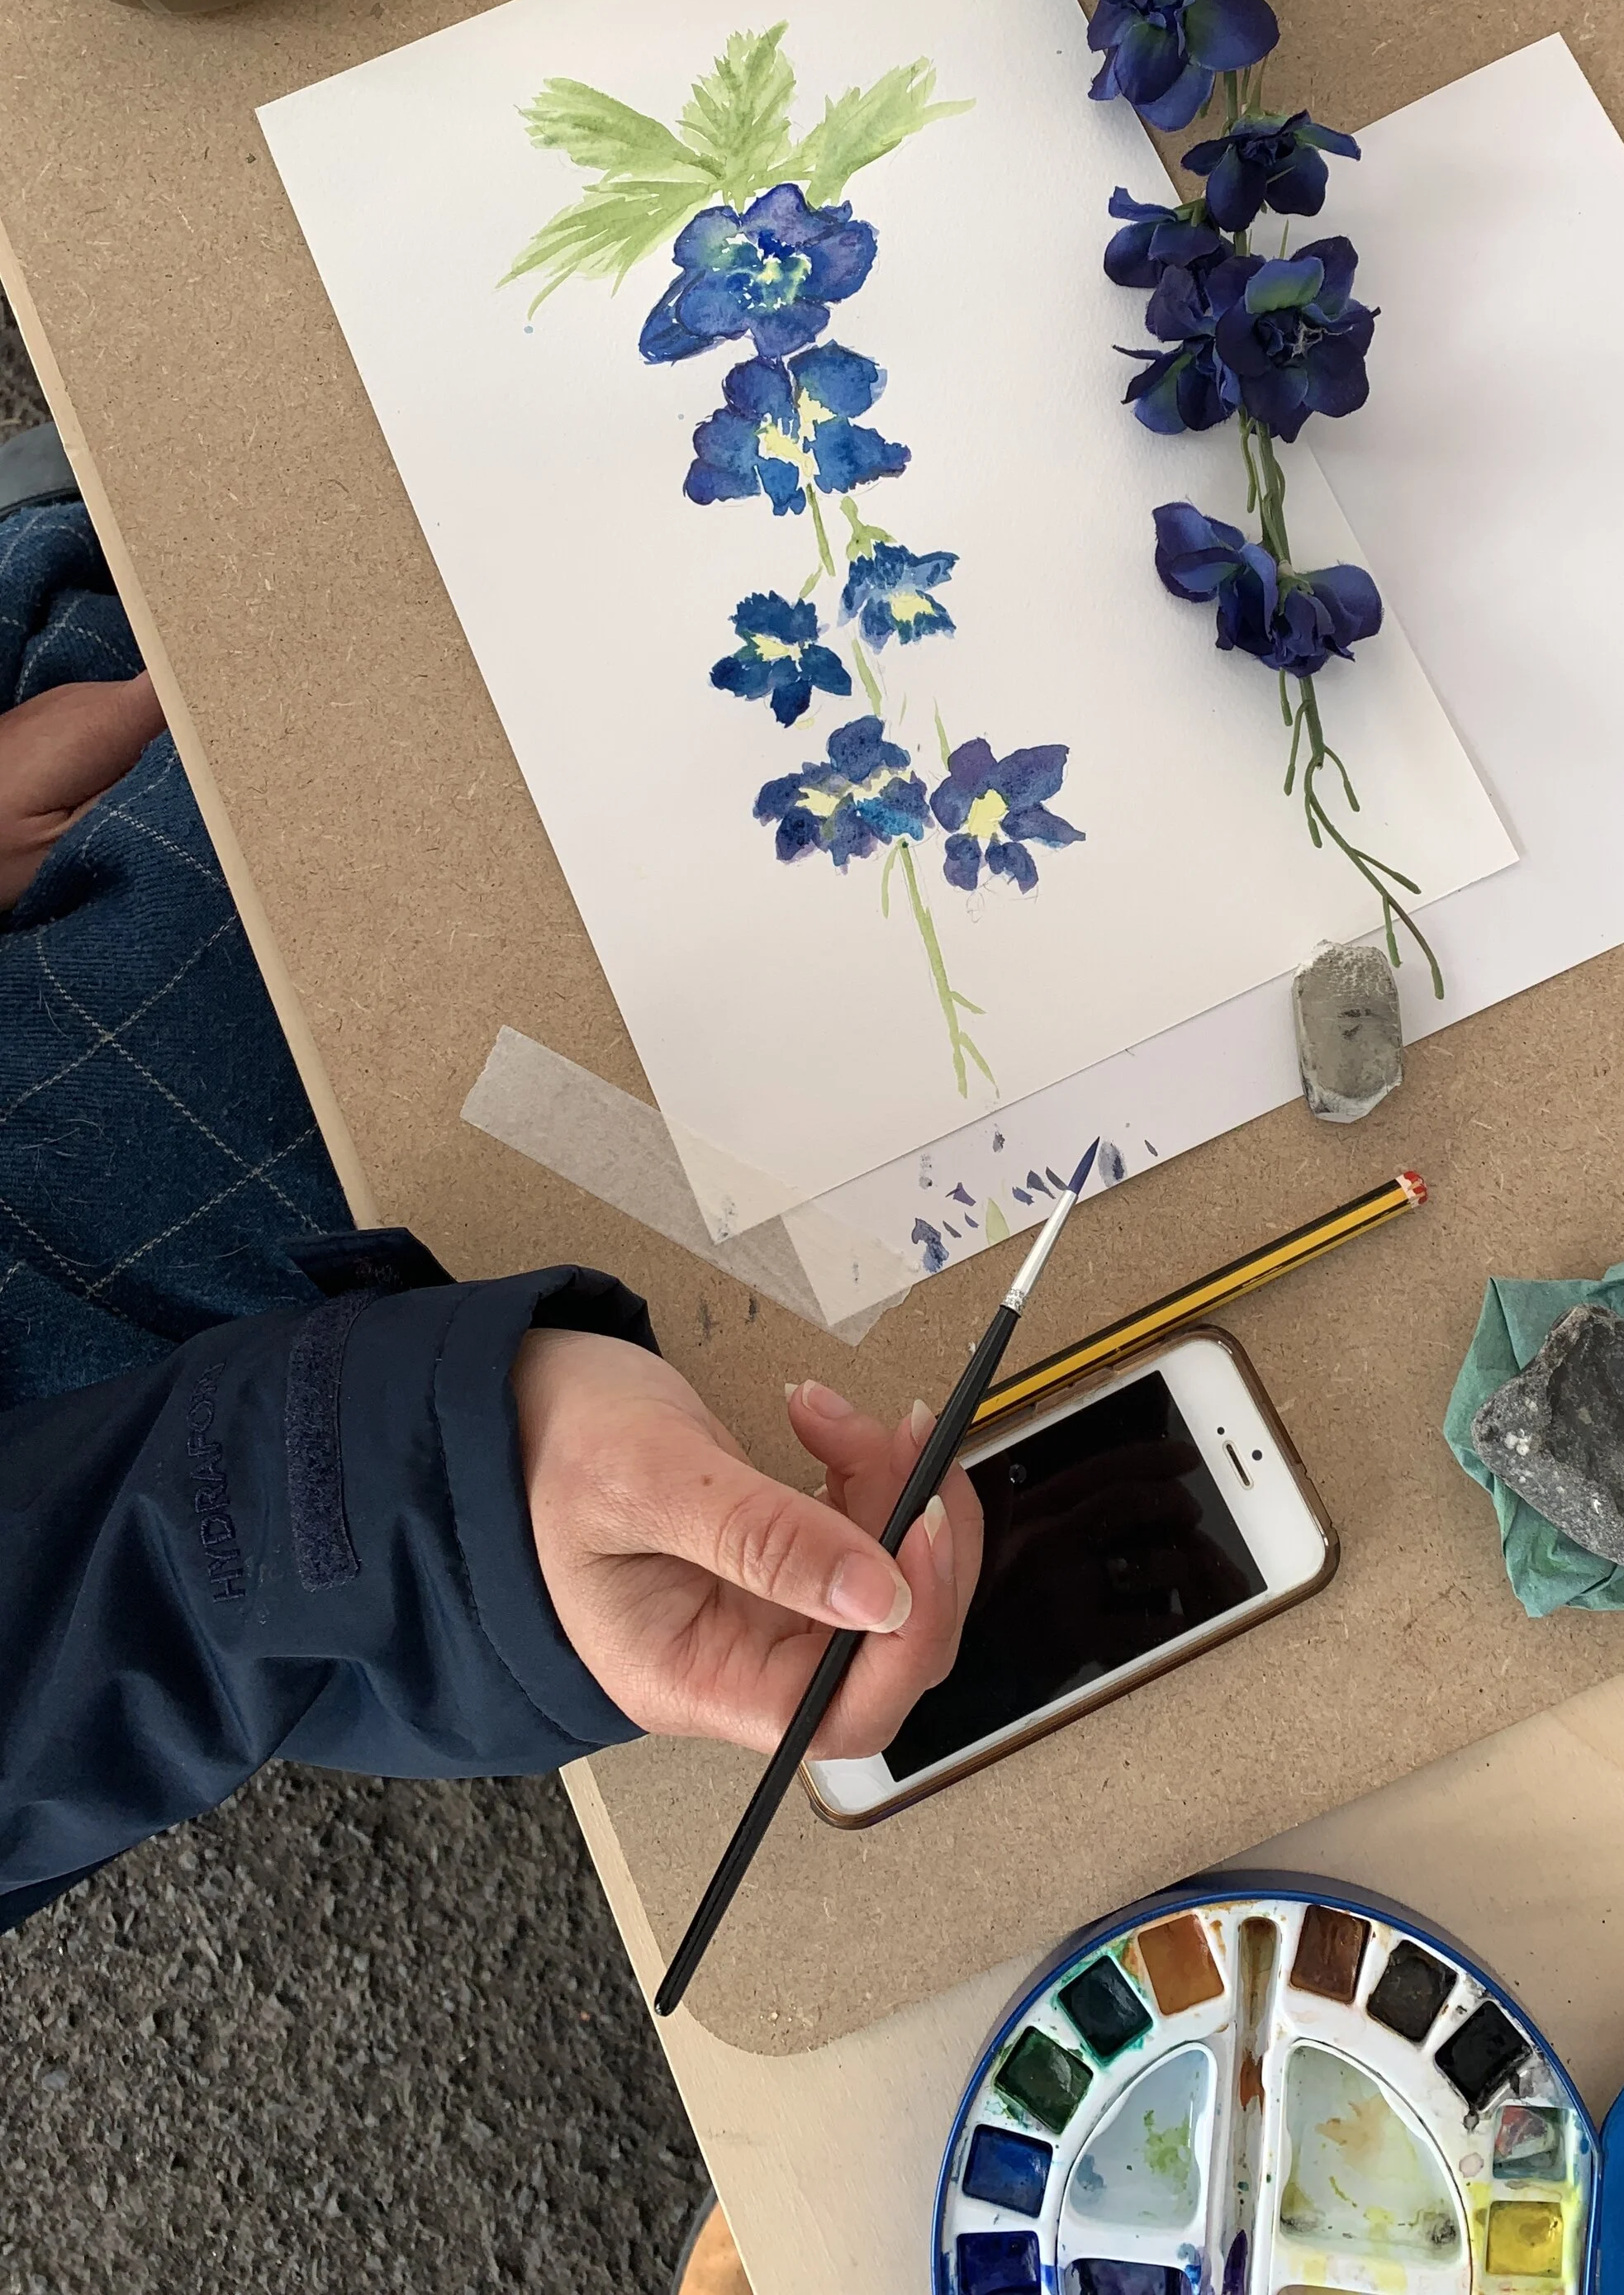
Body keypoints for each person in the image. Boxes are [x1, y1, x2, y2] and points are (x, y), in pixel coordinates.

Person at [0, 459, 981, 1983]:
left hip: (88, 864)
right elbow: (84, 1641)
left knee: (367, 530)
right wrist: (461, 1494)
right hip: (154, 1321)